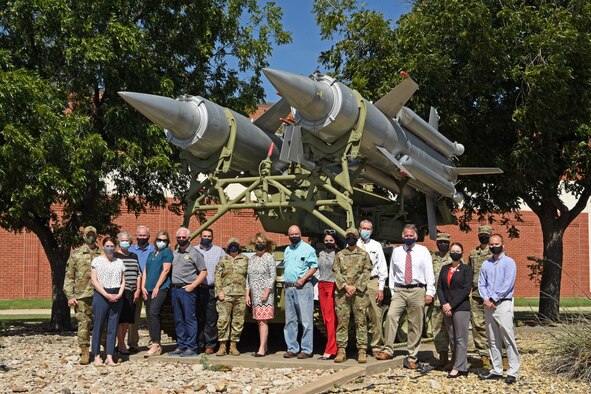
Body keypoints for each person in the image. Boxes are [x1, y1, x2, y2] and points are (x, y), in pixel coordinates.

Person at [376, 224, 435, 369]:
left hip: (417, 290)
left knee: (415, 324)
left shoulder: (423, 251)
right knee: (390, 316)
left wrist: (430, 292)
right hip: (400, 290)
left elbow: (429, 271)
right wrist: (393, 290)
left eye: (411, 236)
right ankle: (388, 350)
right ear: (402, 237)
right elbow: (393, 273)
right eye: (406, 236)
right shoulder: (397, 252)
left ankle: (412, 356)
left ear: (415, 237)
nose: (408, 238)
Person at [478, 234, 521, 385]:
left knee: (508, 338)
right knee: (492, 339)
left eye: (496, 243)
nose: (493, 246)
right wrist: (485, 299)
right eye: (491, 244)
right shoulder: (485, 264)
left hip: (503, 304)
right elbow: (481, 284)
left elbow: (507, 284)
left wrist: (493, 299)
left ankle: (513, 371)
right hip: (488, 305)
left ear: (503, 245)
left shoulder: (509, 263)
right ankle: (496, 370)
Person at [333, 228, 373, 364]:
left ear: (357, 238)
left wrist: (355, 286)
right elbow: (336, 272)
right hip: (343, 293)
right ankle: (341, 350)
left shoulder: (364, 255)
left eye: (353, 237)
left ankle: (362, 350)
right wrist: (345, 286)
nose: (351, 239)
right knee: (342, 322)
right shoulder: (339, 255)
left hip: (359, 294)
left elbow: (367, 271)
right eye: (348, 237)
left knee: (361, 321)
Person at [64, 226, 102, 365]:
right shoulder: (76, 254)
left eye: (93, 234)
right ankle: (85, 352)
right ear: (84, 236)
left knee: (102, 323)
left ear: (96, 236)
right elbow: (69, 277)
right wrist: (70, 295)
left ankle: (104, 351)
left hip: (100, 294)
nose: (91, 237)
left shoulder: (102, 253)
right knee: (84, 325)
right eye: (88, 235)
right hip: (82, 295)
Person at [169, 227, 207, 357]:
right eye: (178, 237)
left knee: (190, 319)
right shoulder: (175, 253)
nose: (181, 239)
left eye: (183, 237)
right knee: (178, 319)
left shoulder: (195, 253)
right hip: (175, 290)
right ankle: (181, 345)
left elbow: (203, 271)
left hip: (187, 290)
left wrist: (193, 285)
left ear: (189, 238)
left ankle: (192, 347)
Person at [437, 242, 473, 378]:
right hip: (446, 307)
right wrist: (444, 304)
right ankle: (460, 364)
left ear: (462, 253)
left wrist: (451, 305)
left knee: (460, 338)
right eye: (453, 250)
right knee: (452, 338)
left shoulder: (466, 269)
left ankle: (457, 367)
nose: (455, 253)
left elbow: (466, 289)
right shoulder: (444, 268)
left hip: (460, 307)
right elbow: (440, 287)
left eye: (458, 250)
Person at [282, 225, 318, 359]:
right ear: (288, 235)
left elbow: (314, 266)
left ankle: (307, 349)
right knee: (290, 320)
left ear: (301, 234)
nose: (294, 236)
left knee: (306, 320)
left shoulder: (308, 249)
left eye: (297, 234)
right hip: (289, 287)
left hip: (303, 287)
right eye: (292, 234)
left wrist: (303, 279)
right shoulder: (287, 250)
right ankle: (292, 348)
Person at [90, 236, 126, 366]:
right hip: (101, 294)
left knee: (113, 327)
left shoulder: (119, 262)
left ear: (115, 247)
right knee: (98, 326)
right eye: (107, 245)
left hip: (116, 295)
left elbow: (123, 280)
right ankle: (97, 356)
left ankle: (109, 356)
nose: (110, 248)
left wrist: (120, 293)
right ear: (103, 246)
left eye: (112, 246)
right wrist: (106, 294)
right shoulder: (97, 261)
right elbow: (94, 280)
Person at [356, 220, 388, 357]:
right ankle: (361, 346)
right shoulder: (353, 244)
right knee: (359, 316)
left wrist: (381, 287)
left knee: (376, 314)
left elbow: (382, 267)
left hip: (372, 281)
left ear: (372, 230)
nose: (366, 231)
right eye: (363, 228)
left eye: (368, 228)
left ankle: (376, 345)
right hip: (357, 283)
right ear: (359, 230)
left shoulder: (376, 245)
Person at [215, 238, 249, 356]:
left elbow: (249, 276)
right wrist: (219, 291)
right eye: (231, 245)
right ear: (228, 247)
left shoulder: (245, 259)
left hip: (240, 295)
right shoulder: (223, 259)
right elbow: (217, 276)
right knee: (223, 320)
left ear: (238, 246)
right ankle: (222, 346)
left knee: (238, 321)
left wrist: (248, 294)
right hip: (225, 295)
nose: (233, 247)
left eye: (235, 245)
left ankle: (233, 345)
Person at [142, 231, 173, 357]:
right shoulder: (151, 254)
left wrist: (157, 287)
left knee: (154, 312)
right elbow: (145, 270)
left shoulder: (167, 252)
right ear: (155, 241)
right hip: (147, 288)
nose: (162, 242)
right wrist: (143, 286)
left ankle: (156, 344)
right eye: (159, 239)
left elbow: (166, 270)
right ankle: (153, 340)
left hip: (161, 288)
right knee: (150, 315)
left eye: (164, 240)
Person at [195, 228, 226, 354]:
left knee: (211, 319)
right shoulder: (194, 250)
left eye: (209, 236)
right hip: (196, 288)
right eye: (204, 236)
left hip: (212, 289)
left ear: (212, 237)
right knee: (197, 317)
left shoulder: (219, 251)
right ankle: (198, 343)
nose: (206, 238)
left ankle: (210, 345)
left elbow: (226, 267)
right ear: (200, 236)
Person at [246, 232, 276, 357]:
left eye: (262, 243)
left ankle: (261, 349)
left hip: (265, 294)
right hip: (254, 294)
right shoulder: (252, 259)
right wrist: (247, 294)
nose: (260, 245)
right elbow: (248, 277)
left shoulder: (269, 257)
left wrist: (266, 292)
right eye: (258, 243)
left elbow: (272, 276)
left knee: (263, 321)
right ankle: (265, 345)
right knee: (259, 321)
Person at [468, 225, 494, 367]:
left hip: (492, 296)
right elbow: (470, 272)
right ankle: (484, 356)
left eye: (486, 234)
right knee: (478, 326)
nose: (483, 236)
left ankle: (502, 357)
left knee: (495, 325)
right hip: (477, 295)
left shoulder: (497, 252)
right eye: (481, 234)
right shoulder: (473, 253)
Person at [128, 225, 154, 353]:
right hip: (134, 288)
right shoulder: (130, 250)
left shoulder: (154, 250)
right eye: (140, 235)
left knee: (152, 316)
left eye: (144, 235)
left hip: (150, 288)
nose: (142, 237)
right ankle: (133, 343)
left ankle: (152, 343)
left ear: (149, 236)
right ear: (136, 235)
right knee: (133, 318)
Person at [114, 231, 141, 355]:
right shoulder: (115, 256)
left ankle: (121, 344)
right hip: (120, 291)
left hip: (132, 291)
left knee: (126, 320)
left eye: (127, 241)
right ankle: (121, 345)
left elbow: (138, 273)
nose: (125, 242)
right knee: (120, 320)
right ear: (118, 242)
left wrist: (138, 289)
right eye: (122, 240)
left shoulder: (134, 256)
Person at [427, 232, 452, 367]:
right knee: (437, 329)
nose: (443, 244)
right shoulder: (431, 258)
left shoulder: (454, 257)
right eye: (440, 242)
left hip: (450, 301)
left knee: (452, 329)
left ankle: (454, 358)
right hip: (435, 299)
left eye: (445, 242)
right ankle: (442, 357)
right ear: (437, 243)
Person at [317, 229, 338, 360]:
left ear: (335, 241)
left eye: (331, 240)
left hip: (332, 285)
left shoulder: (338, 255)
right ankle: (332, 346)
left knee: (331, 319)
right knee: (325, 318)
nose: (328, 242)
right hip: (322, 285)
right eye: (326, 240)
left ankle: (331, 349)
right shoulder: (321, 253)